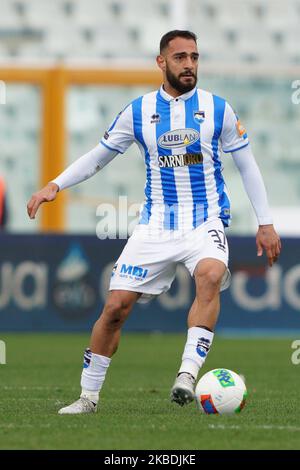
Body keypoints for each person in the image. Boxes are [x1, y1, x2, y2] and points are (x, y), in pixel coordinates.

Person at [27, 30, 281, 414]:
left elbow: (247, 165)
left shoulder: (219, 109)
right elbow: (99, 156)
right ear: (161, 62)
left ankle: (187, 375)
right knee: (115, 308)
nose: (189, 64)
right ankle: (88, 398)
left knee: (211, 275)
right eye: (180, 57)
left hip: (205, 219)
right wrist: (55, 185)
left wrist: (265, 222)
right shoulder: (138, 111)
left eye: (194, 57)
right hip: (156, 223)